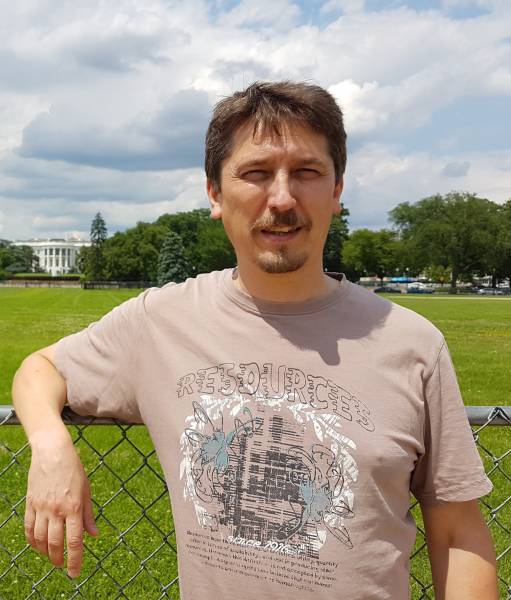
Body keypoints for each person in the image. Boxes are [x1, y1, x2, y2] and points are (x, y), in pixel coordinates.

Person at [13, 81, 498, 600]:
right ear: (215, 194)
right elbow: (42, 369)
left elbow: (457, 532)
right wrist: (50, 446)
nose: (282, 199)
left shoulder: (413, 344)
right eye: (256, 173)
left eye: (307, 172)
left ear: (337, 190)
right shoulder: (162, 321)